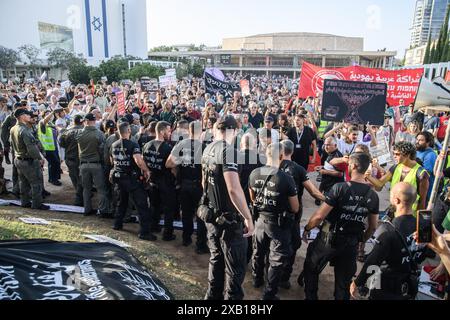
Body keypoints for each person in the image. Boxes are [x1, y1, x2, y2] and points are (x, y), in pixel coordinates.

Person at [302, 152, 379, 300]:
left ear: (354, 166)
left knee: (311, 267)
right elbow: (373, 226)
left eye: (349, 164)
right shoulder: (372, 195)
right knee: (343, 283)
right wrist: (361, 240)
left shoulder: (340, 188)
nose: (348, 167)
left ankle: (311, 297)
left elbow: (319, 216)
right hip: (351, 244)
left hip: (328, 239)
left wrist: (307, 229)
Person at [201, 115, 254, 300]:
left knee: (216, 260)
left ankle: (211, 298)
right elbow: (233, 189)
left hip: (211, 215)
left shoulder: (208, 147)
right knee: (235, 268)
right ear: (234, 130)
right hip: (228, 221)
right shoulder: (228, 151)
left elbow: (204, 183)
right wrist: (247, 216)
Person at [351, 183, 429, 300]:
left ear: (396, 200)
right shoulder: (424, 224)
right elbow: (422, 255)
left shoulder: (387, 230)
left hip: (386, 286)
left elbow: (373, 261)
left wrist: (357, 282)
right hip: (409, 283)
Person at [249, 142, 299, 300]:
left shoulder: (254, 173)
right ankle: (269, 294)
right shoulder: (286, 178)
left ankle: (257, 280)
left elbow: (253, 199)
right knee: (276, 259)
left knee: (258, 252)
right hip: (278, 224)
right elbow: (295, 207)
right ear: (282, 156)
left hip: (259, 220)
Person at [278, 139, 325, 289]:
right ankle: (284, 276)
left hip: (273, 211)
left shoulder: (273, 165)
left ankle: (269, 272)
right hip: (293, 213)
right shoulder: (298, 169)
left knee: (273, 242)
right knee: (293, 243)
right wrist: (330, 201)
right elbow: (313, 191)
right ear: (292, 152)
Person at [166, 121, 208, 253]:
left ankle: (186, 238)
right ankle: (200, 245)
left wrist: (181, 163)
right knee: (200, 215)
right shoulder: (204, 146)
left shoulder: (181, 144)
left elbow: (169, 164)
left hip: (184, 184)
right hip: (198, 185)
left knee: (186, 213)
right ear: (200, 131)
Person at [110, 121, 155, 241]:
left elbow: (111, 161)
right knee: (141, 205)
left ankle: (117, 224)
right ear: (128, 131)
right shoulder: (133, 145)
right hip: (131, 179)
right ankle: (144, 232)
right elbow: (138, 161)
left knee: (121, 202)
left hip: (118, 177)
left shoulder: (114, 144)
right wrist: (147, 170)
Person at [366, 141, 429, 212]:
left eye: (397, 154)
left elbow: (422, 201)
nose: (394, 156)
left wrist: (418, 221)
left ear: (407, 155)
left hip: (410, 215)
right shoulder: (395, 167)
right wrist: (367, 176)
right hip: (395, 212)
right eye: (394, 154)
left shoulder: (421, 174)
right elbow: (380, 183)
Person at [142, 121, 177, 241]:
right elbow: (172, 167)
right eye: (168, 130)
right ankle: (167, 234)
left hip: (152, 181)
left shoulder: (147, 145)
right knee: (168, 208)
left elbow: (142, 161)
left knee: (154, 206)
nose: (170, 132)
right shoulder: (168, 148)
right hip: (165, 182)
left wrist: (147, 171)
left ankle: (154, 227)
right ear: (162, 132)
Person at [10, 109, 49, 210]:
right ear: (22, 116)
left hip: (18, 159)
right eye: (27, 115)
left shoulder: (14, 128)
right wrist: (39, 158)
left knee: (23, 182)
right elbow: (31, 147)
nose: (29, 116)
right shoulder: (24, 130)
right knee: (36, 182)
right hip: (28, 160)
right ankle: (37, 204)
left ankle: (25, 202)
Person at [75, 113, 110, 216]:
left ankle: (87, 209)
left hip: (84, 164)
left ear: (86, 121)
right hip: (96, 164)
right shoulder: (99, 134)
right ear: (94, 121)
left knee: (86, 188)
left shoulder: (79, 133)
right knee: (101, 189)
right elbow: (103, 151)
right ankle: (103, 210)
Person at [59, 115, 84, 206]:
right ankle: (80, 198)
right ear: (82, 122)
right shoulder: (84, 131)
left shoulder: (66, 132)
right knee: (81, 179)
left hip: (70, 159)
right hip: (81, 159)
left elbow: (61, 144)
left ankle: (80, 196)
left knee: (75, 179)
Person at [416, 131, 437, 200]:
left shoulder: (430, 154)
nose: (417, 142)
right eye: (417, 139)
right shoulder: (417, 151)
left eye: (421, 140)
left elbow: (426, 174)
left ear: (428, 142)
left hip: (425, 191)